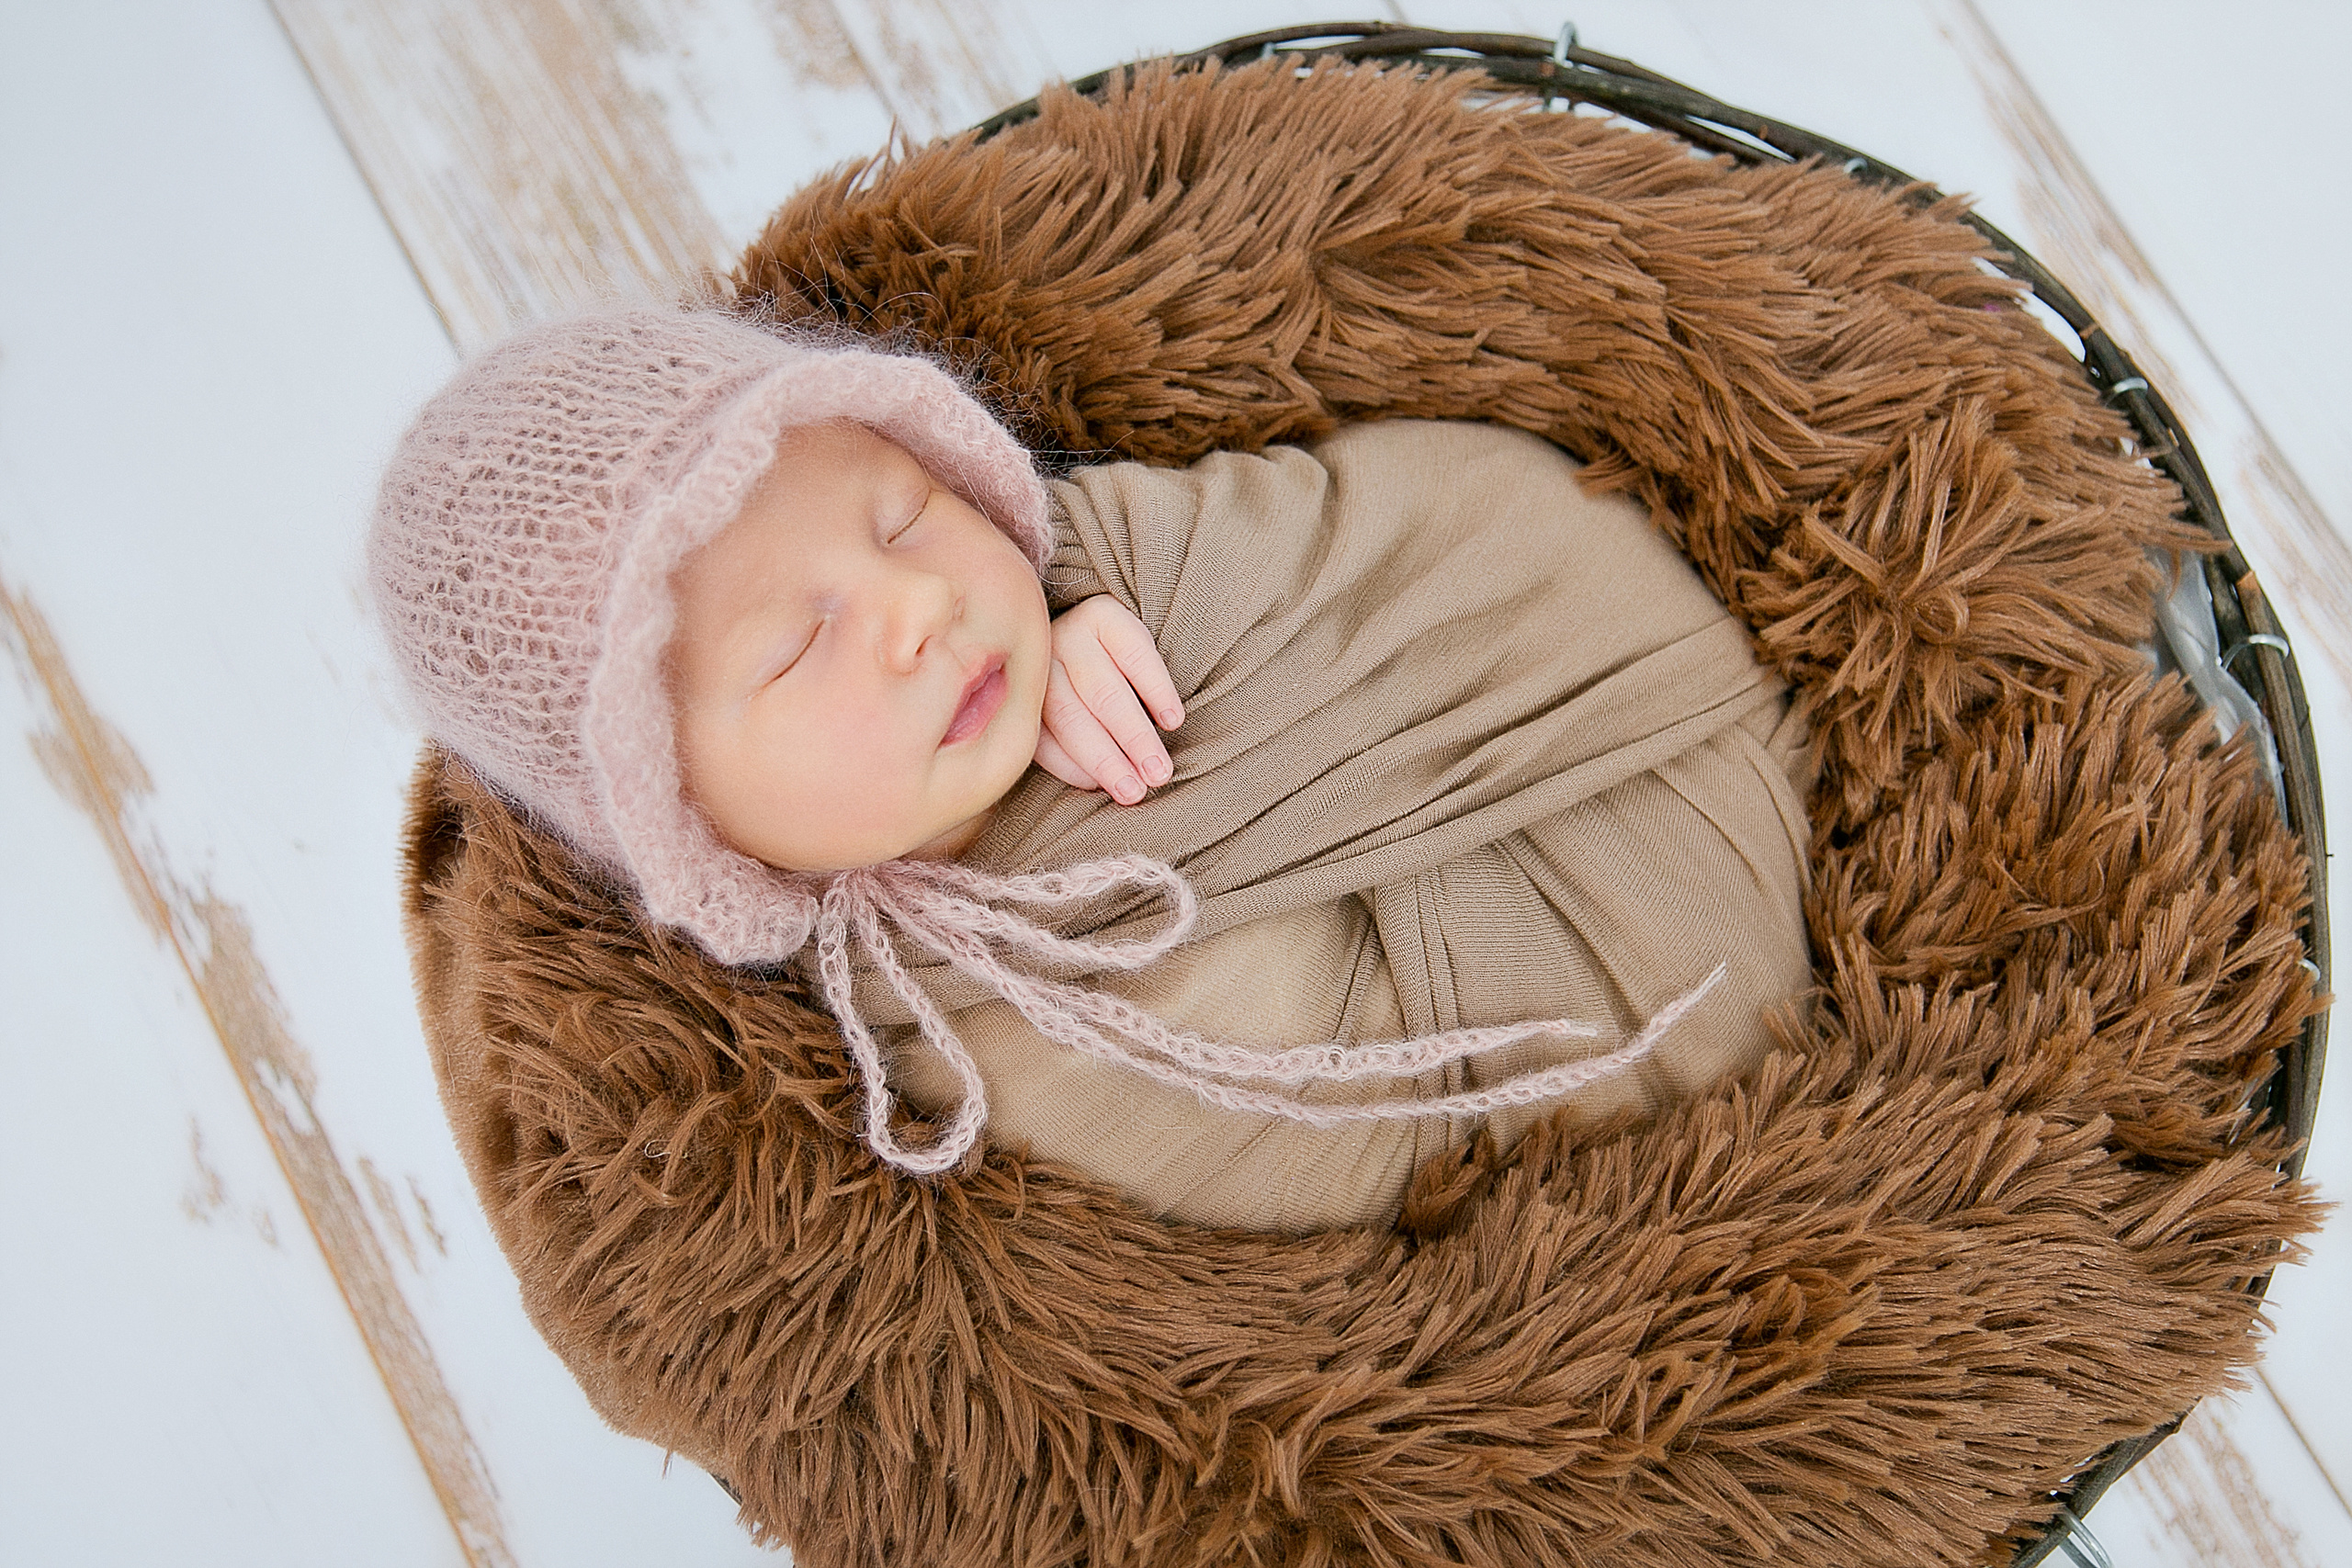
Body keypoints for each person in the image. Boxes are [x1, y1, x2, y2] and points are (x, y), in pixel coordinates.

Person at [370, 308, 1812, 1230]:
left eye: (906, 513)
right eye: (797, 652)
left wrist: (1108, 596)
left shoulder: (1110, 559)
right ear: (692, 826)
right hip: (1607, 1054)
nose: (918, 606)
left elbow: (1469, 520)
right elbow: (1323, 1157)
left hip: (1668, 746)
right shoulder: (964, 1027)